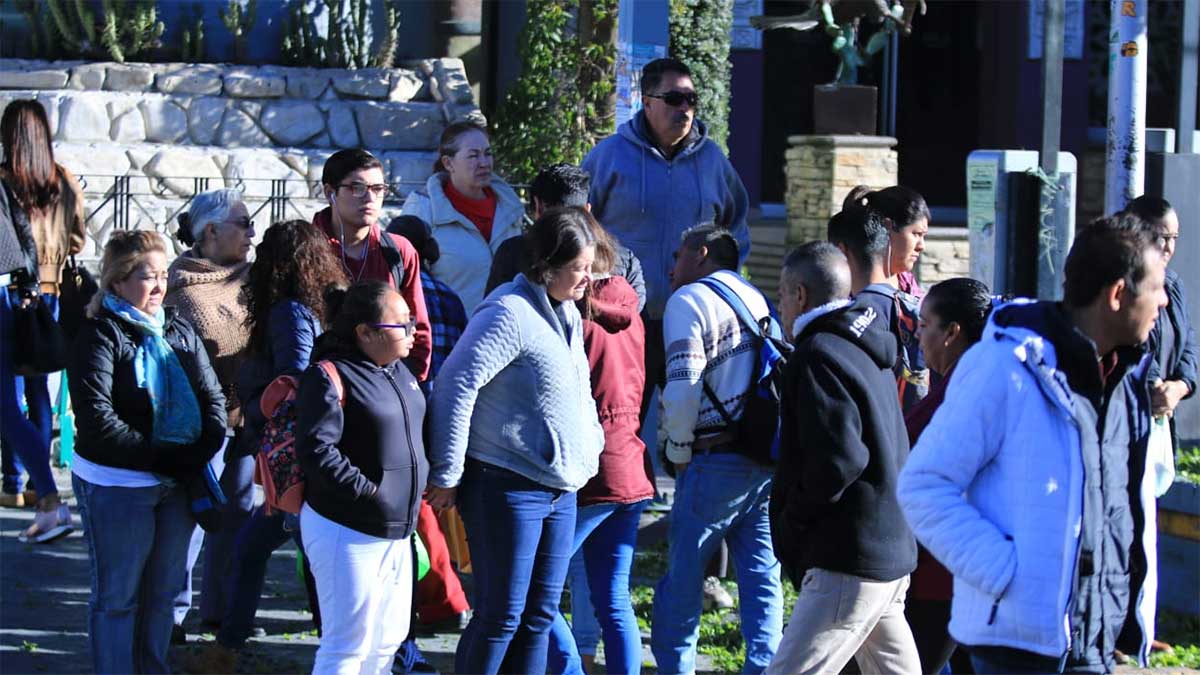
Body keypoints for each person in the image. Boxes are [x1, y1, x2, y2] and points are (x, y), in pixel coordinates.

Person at [898, 218, 1167, 673]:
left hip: (1092, 639)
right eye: (1156, 288)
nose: (1164, 301)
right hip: (1018, 645)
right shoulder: (1007, 365)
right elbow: (923, 486)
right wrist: (1007, 575)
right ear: (1118, 294)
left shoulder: (1127, 378)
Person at [426, 207, 605, 675]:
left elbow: (579, 390)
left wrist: (590, 446)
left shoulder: (568, 312)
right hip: (505, 486)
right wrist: (447, 472)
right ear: (546, 266)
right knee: (501, 616)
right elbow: (455, 384)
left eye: (590, 266)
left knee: (539, 617)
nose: (588, 278)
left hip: (560, 490)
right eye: (579, 268)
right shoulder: (508, 312)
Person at [69, 230, 227, 674]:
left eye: (162, 275)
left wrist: (200, 450)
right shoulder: (99, 334)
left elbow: (212, 398)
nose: (159, 286)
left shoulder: (177, 327)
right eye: (147, 276)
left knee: (162, 596)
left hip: (179, 480)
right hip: (119, 484)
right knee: (118, 597)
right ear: (118, 281)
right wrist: (163, 457)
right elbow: (98, 422)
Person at [766, 241, 919, 674]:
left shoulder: (817, 355)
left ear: (800, 295)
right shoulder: (867, 345)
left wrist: (793, 520)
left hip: (847, 560)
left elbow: (838, 461)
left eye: (782, 294)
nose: (780, 307)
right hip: (888, 550)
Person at [583, 57, 751, 418]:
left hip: (695, 322)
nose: (684, 108)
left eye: (691, 99)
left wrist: (721, 286)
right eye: (674, 99)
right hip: (624, 321)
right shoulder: (608, 157)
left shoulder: (713, 162)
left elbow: (736, 231)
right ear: (647, 101)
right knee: (618, 425)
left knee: (693, 427)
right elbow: (579, 226)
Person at [651, 223, 783, 674]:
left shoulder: (689, 300)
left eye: (677, 257)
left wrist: (678, 452)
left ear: (701, 254)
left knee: (683, 585)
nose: (671, 269)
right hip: (762, 459)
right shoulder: (757, 298)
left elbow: (683, 385)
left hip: (712, 460)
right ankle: (765, 668)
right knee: (762, 578)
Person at [210, 219, 346, 655]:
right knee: (263, 550)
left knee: (304, 559)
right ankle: (230, 646)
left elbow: (294, 380)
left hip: (292, 458)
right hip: (297, 454)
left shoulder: (289, 312)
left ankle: (346, 651)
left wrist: (257, 411)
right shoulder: (312, 308)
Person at [297, 280, 429, 675]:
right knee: (347, 646)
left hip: (397, 531)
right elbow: (317, 451)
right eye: (401, 324)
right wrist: (370, 493)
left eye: (411, 320)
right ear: (365, 333)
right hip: (346, 529)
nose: (413, 330)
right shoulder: (328, 375)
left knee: (387, 641)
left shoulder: (400, 371)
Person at [546, 224, 655, 675]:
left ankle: (570, 669)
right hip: (632, 461)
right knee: (613, 596)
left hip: (592, 467)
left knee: (536, 588)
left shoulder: (576, 316)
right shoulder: (634, 317)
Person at [166, 188, 256, 633]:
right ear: (211, 231)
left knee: (239, 515)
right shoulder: (181, 286)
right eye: (244, 224)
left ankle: (220, 611)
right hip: (203, 424)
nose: (252, 233)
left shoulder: (257, 280)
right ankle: (171, 615)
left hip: (247, 417)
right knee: (193, 520)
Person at [386, 214, 472, 674]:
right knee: (433, 506)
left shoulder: (392, 299)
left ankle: (443, 597)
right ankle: (447, 594)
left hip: (404, 407)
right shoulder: (451, 297)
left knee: (415, 511)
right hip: (444, 409)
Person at [0, 99, 85, 537]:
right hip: (47, 295)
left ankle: (21, 484)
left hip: (12, 296)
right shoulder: (62, 180)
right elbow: (78, 238)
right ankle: (37, 485)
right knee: (37, 393)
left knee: (9, 398)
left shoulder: (6, 181)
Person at [903, 277, 994, 674]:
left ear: (952, 333)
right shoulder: (965, 385)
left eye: (925, 325)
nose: (918, 336)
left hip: (941, 573)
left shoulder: (961, 397)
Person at [312, 148, 431, 381]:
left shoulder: (398, 250)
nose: (369, 198)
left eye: (378, 189)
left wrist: (408, 384)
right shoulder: (306, 250)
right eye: (357, 188)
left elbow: (417, 328)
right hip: (322, 381)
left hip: (385, 383)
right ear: (330, 192)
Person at [401, 121, 526, 314]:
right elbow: (405, 279)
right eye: (473, 155)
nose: (484, 163)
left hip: (505, 326)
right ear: (448, 163)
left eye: (488, 153)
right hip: (449, 328)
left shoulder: (510, 207)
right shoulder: (423, 208)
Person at [485, 163, 645, 311]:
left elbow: (494, 312)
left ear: (539, 207)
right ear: (588, 210)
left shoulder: (513, 254)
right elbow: (637, 319)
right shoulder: (624, 260)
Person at [828, 198, 927, 409]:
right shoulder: (919, 315)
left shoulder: (837, 328)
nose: (921, 245)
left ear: (841, 252)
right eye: (916, 234)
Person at [1123, 196, 1196, 442]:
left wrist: (1181, 386)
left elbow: (1188, 343)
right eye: (1162, 237)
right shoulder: (1123, 284)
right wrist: (1154, 384)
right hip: (1129, 415)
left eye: (1174, 238)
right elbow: (1131, 342)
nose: (1169, 248)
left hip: (1163, 418)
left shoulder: (1172, 285)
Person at [847, 184, 931, 299]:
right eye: (916, 234)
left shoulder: (906, 282)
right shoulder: (845, 282)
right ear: (887, 227)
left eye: (923, 236)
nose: (921, 246)